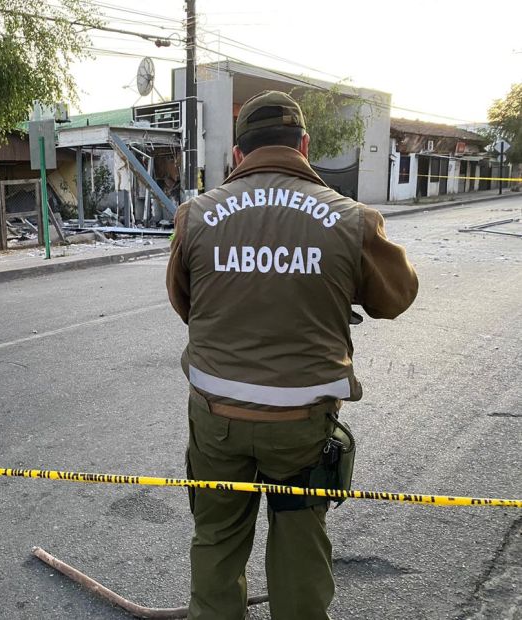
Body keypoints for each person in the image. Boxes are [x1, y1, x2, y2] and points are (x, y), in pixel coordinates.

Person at [166, 90, 418, 620]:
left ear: (237, 155)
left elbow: (186, 304)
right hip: (303, 425)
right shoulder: (351, 220)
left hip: (217, 419)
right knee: (301, 545)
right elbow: (396, 297)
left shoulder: (196, 216)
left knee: (216, 539)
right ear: (304, 146)